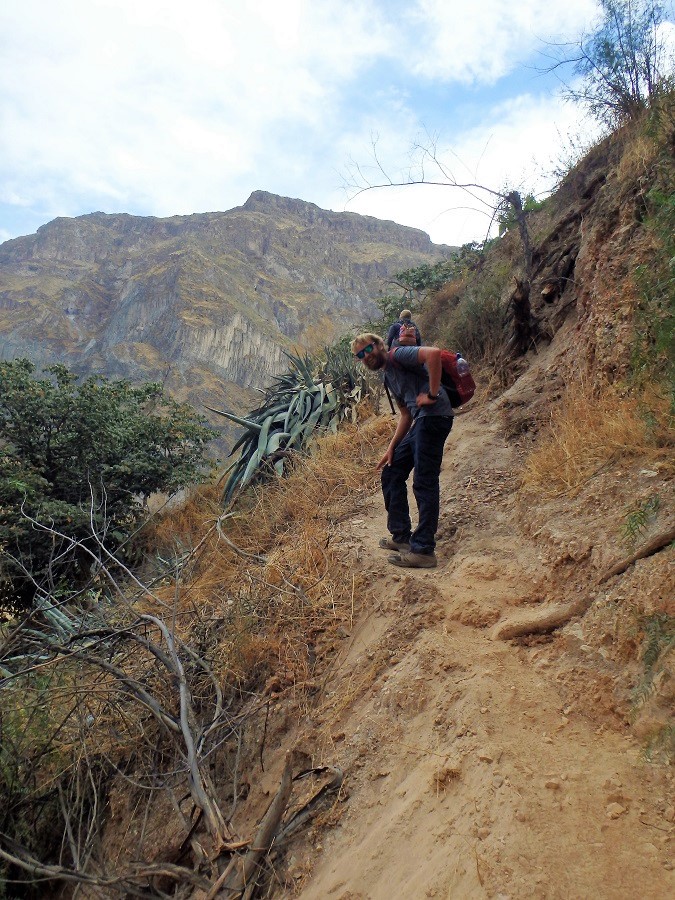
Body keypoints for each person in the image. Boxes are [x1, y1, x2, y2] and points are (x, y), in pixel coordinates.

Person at [351, 332, 453, 568]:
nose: (366, 357)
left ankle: (424, 550)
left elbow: (433, 354)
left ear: (378, 345)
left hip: (434, 417)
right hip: (421, 421)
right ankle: (402, 538)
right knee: (392, 471)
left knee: (424, 482)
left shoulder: (398, 354)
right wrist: (391, 448)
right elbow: (406, 415)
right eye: (360, 356)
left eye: (368, 350)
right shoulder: (389, 376)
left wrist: (432, 394)